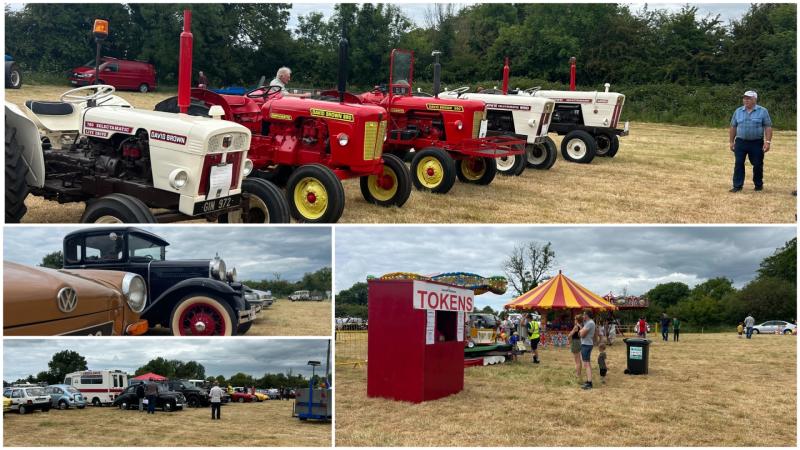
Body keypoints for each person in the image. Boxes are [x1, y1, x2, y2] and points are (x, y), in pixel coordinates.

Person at [729, 90, 773, 192]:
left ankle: (758, 185)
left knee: (757, 164)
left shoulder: (763, 111)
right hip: (740, 142)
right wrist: (731, 141)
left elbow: (768, 127)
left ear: (755, 100)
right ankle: (737, 186)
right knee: (739, 163)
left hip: (756, 142)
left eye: (748, 98)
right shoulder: (738, 111)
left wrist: (768, 142)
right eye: (744, 98)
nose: (746, 100)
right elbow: (733, 126)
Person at [579, 310, 596, 390]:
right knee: (587, 363)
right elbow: (581, 332)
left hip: (586, 345)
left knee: (586, 364)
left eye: (584, 314)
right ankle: (588, 381)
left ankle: (589, 383)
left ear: (587, 315)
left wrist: (580, 332)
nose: (583, 316)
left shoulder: (590, 323)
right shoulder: (588, 323)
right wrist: (581, 330)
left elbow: (582, 335)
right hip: (587, 344)